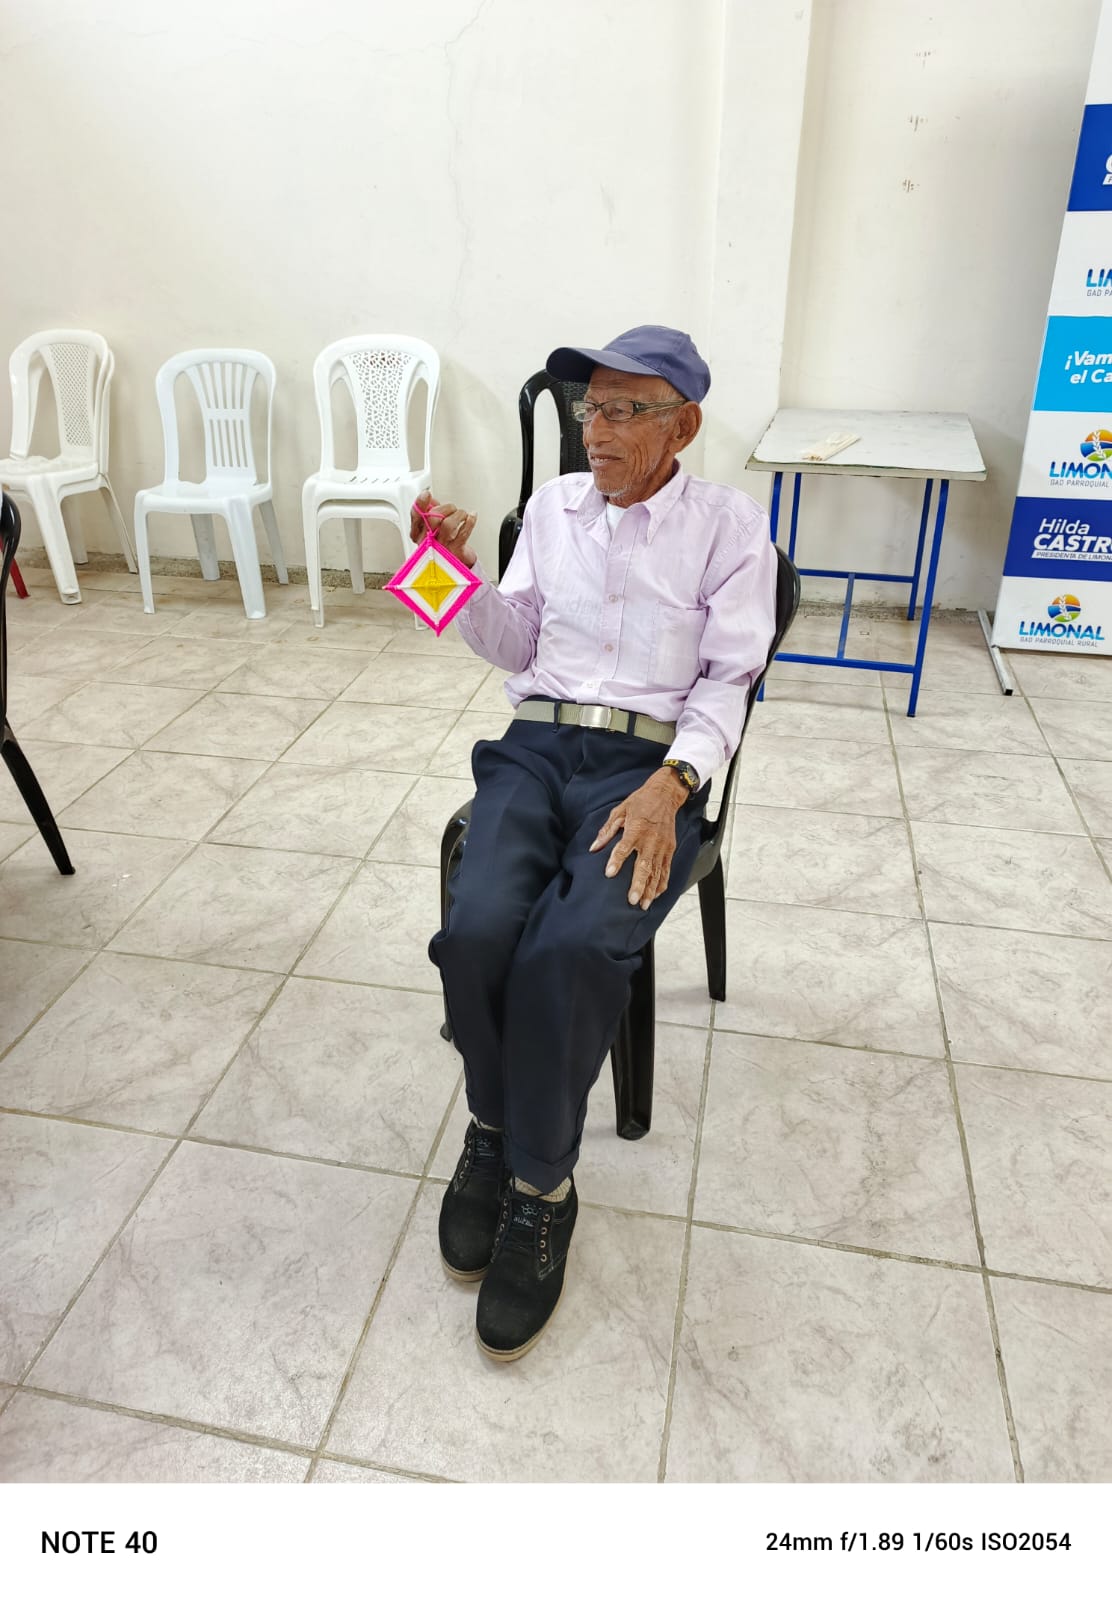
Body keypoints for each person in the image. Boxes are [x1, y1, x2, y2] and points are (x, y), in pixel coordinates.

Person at [413, 325, 777, 1362]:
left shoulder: (728, 528)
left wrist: (673, 786)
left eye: (624, 410)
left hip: (649, 769)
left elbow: (730, 679)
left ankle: (540, 1187)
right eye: (590, 408)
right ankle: (493, 1130)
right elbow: (514, 644)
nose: (597, 430)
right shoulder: (550, 511)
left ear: (682, 426)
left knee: (568, 949)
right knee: (477, 931)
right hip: (535, 750)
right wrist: (440, 568)